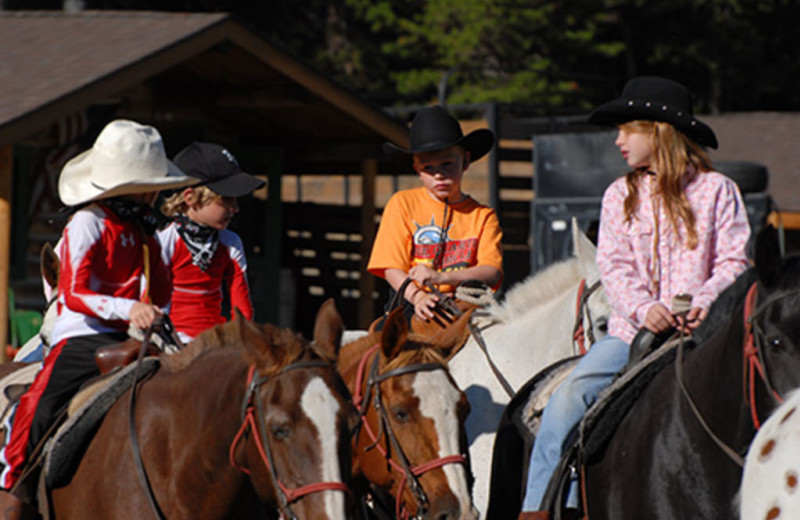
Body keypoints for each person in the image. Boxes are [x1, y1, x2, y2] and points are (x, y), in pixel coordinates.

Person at [518, 76, 751, 520]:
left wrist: (704, 303)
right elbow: (615, 268)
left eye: (628, 129)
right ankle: (544, 508)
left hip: (708, 334)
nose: (618, 140)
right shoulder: (618, 196)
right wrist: (648, 309)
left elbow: (735, 262)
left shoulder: (718, 191)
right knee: (569, 398)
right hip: (631, 335)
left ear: (658, 131)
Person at [0, 119, 197, 517]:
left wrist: (158, 313)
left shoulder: (144, 230)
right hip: (84, 333)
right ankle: (12, 488)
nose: (157, 193)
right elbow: (74, 292)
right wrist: (129, 309)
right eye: (152, 185)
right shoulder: (87, 222)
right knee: (38, 404)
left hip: (135, 334)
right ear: (131, 187)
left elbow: (161, 285)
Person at [367, 105, 504, 322]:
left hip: (464, 312)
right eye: (428, 168)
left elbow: (491, 271)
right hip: (411, 308)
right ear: (417, 170)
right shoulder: (402, 204)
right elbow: (391, 268)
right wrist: (419, 297)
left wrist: (444, 277)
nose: (439, 175)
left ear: (465, 161)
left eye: (447, 164)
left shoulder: (483, 215)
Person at [157, 142, 264, 342]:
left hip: (216, 342)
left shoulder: (231, 243)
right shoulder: (164, 241)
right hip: (172, 341)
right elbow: (153, 302)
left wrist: (242, 341)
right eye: (226, 199)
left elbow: (242, 309)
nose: (235, 208)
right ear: (190, 198)